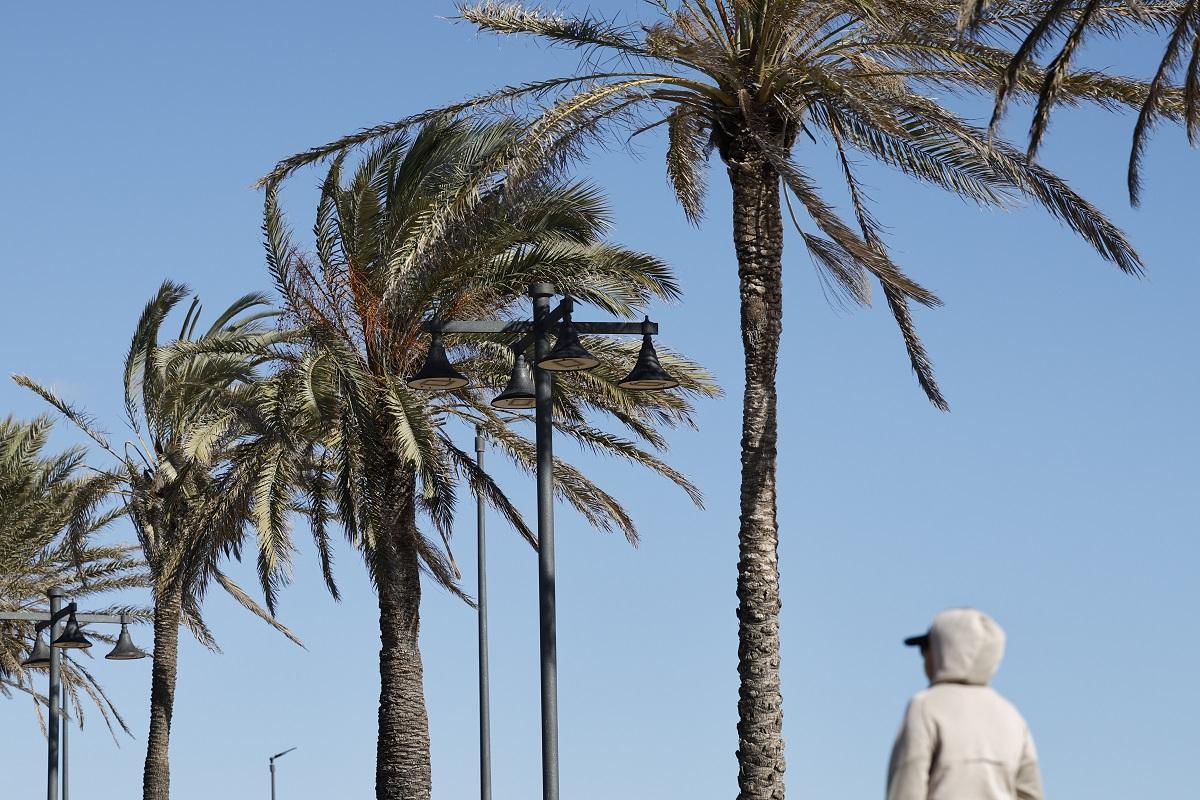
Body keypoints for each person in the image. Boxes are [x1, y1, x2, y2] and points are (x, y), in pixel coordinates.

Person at [887, 608, 1044, 800]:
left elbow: (907, 786)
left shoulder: (925, 707)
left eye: (925, 649)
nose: (924, 658)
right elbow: (1030, 794)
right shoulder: (1012, 717)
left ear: (944, 651)